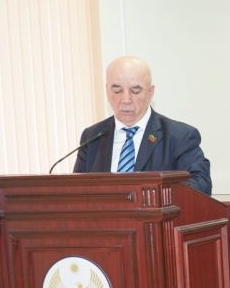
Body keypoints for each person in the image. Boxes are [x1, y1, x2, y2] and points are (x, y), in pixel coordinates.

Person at [74, 56, 212, 195]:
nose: (125, 99)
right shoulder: (92, 137)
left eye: (135, 91)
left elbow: (201, 183)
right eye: (117, 91)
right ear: (107, 91)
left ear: (150, 93)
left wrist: (152, 196)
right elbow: (76, 190)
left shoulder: (179, 136)